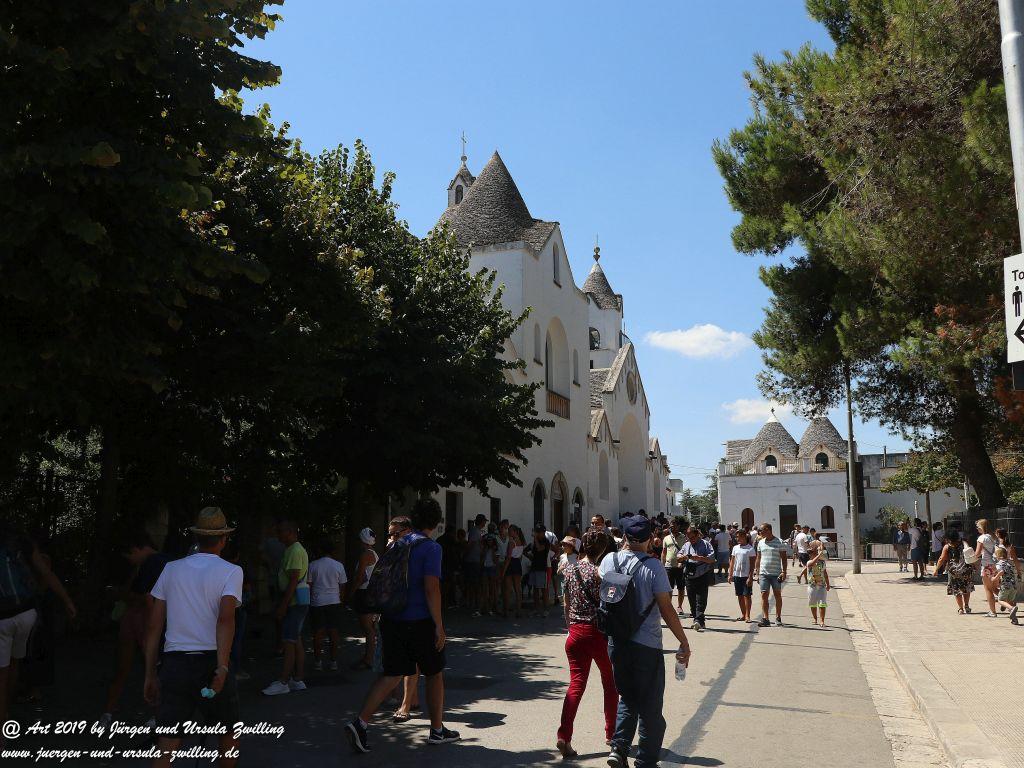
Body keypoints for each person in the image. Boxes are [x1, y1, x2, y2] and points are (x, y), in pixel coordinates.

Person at [346, 498, 460, 753]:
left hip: (392, 618)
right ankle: (437, 730)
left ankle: (360, 722)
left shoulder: (398, 543)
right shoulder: (431, 548)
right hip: (419, 620)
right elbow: (432, 588)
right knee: (434, 672)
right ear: (437, 521)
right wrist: (439, 626)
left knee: (391, 674)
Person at [144, 508, 241, 767]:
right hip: (211, 659)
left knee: (167, 741)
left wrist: (150, 673)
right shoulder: (231, 571)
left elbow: (154, 626)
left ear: (197, 537)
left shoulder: (171, 569)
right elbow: (226, 619)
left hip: (175, 663)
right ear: (223, 539)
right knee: (227, 734)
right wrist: (222, 666)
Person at [599, 516, 692, 768]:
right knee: (650, 705)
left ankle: (618, 749)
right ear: (651, 538)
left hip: (616, 642)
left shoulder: (609, 560)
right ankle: (645, 760)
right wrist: (683, 641)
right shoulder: (653, 566)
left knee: (627, 697)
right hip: (646, 644)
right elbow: (666, 608)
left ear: (626, 537)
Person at [0, 525, 76, 745]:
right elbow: (46, 573)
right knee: (15, 663)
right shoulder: (21, 540)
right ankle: (6, 713)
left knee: (1, 672)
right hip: (26, 613)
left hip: (2, 617)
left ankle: (2, 724)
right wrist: (67, 601)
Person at [556, 530, 617, 759]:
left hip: (575, 633)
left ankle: (564, 735)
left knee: (576, 685)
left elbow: (566, 602)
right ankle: (612, 734)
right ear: (601, 550)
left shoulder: (569, 570)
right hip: (597, 633)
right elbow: (609, 603)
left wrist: (570, 626)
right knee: (610, 682)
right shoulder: (601, 573)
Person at [100, 531, 169, 727]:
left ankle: (154, 714)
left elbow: (147, 599)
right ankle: (111, 710)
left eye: (130, 556)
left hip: (147, 619)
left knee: (145, 669)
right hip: (142, 619)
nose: (130, 560)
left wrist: (151, 632)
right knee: (138, 667)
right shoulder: (158, 562)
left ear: (136, 550)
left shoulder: (152, 563)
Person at [308, 539, 347, 672]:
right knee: (334, 632)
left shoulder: (313, 565)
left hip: (317, 601)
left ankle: (318, 661)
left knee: (318, 633)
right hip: (333, 601)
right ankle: (333, 661)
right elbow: (342, 586)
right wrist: (341, 599)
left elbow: (309, 585)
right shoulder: (338, 565)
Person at [348, 528, 379, 670]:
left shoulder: (365, 555)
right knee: (370, 628)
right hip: (371, 592)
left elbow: (360, 577)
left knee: (368, 628)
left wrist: (350, 593)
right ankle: (368, 657)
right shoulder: (373, 553)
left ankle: (368, 659)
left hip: (364, 593)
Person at [751, 523, 787, 627]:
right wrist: (757, 572)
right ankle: (765, 618)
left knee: (777, 595)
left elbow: (784, 559)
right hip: (764, 574)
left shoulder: (780, 542)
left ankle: (778, 617)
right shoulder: (760, 542)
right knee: (764, 595)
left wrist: (784, 572)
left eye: (761, 531)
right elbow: (758, 558)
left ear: (768, 530)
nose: (759, 533)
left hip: (776, 574)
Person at [679, 526, 715, 631]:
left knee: (701, 599)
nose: (691, 540)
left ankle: (698, 620)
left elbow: (712, 559)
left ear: (697, 535)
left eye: (693, 537)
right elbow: (679, 556)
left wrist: (699, 558)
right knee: (691, 600)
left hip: (702, 574)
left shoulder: (705, 544)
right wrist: (684, 557)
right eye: (689, 538)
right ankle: (698, 620)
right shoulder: (686, 545)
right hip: (689, 575)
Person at [934, 530, 974, 614]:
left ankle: (960, 608)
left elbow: (941, 559)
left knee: (956, 590)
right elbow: (969, 554)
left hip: (953, 571)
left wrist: (936, 569)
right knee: (966, 588)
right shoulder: (963, 543)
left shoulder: (947, 547)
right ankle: (966, 606)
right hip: (965, 570)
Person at [800, 541, 831, 627]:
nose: (809, 554)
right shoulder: (809, 562)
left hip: (822, 586)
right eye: (809, 552)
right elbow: (812, 563)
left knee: (822, 603)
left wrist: (828, 584)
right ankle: (815, 618)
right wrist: (819, 554)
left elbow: (825, 573)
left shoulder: (822, 562)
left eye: (812, 552)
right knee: (812, 603)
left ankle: (822, 621)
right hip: (812, 586)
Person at [728, 528, 755, 622]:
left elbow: (752, 565)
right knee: (739, 595)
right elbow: (732, 562)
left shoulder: (750, 549)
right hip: (737, 575)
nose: (737, 538)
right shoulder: (735, 548)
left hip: (746, 576)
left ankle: (748, 616)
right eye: (736, 537)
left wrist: (750, 577)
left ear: (744, 537)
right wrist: (730, 574)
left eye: (739, 536)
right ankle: (743, 614)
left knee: (747, 596)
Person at [525, 525, 552, 617]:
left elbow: (540, 548)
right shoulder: (533, 543)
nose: (539, 534)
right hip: (534, 568)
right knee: (535, 590)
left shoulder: (546, 542)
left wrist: (535, 539)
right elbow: (525, 551)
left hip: (542, 569)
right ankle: (536, 609)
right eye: (537, 532)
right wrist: (531, 558)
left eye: (540, 532)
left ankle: (546, 609)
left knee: (543, 590)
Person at [660, 518, 686, 616]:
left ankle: (679, 606)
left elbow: (686, 551)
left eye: (674, 525)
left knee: (681, 587)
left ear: (678, 526)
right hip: (668, 566)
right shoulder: (666, 538)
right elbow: (664, 552)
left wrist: (683, 561)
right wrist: (662, 565)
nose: (672, 527)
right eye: (671, 525)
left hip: (680, 566)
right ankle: (669, 607)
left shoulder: (683, 537)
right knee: (668, 588)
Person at [464, 514, 487, 616]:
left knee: (475, 583)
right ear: (481, 522)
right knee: (474, 583)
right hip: (473, 560)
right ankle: (473, 604)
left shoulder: (477, 531)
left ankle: (474, 603)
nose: (485, 523)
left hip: (475, 560)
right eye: (484, 521)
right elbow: (471, 544)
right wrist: (465, 554)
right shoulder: (474, 531)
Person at [501, 525, 526, 619]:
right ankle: (518, 611)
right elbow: (520, 556)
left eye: (510, 531)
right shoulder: (521, 541)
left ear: (515, 532)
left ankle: (506, 611)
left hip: (511, 563)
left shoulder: (511, 542)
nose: (509, 532)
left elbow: (508, 557)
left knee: (507, 589)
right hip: (517, 564)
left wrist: (503, 571)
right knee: (518, 589)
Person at [975, 519, 998, 616]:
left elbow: (977, 553)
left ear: (981, 527)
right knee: (994, 588)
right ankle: (1010, 604)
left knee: (988, 589)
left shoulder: (982, 538)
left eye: (978, 527)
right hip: (995, 565)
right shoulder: (994, 537)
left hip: (986, 565)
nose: (977, 529)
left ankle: (992, 611)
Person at [991, 547, 1019, 624]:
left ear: (999, 556)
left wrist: (995, 578)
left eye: (996, 555)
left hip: (1006, 585)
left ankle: (1011, 608)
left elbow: (1001, 571)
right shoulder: (1009, 563)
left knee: (1001, 600)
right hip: (1013, 586)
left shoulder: (999, 564)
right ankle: (1014, 619)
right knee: (1010, 601)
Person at [556, 536, 579, 608]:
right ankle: (567, 616)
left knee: (574, 600)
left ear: (571, 546)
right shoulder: (562, 556)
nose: (562, 547)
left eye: (565, 545)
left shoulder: (577, 557)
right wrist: (561, 568)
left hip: (575, 581)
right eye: (562, 545)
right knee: (566, 602)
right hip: (564, 581)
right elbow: (558, 572)